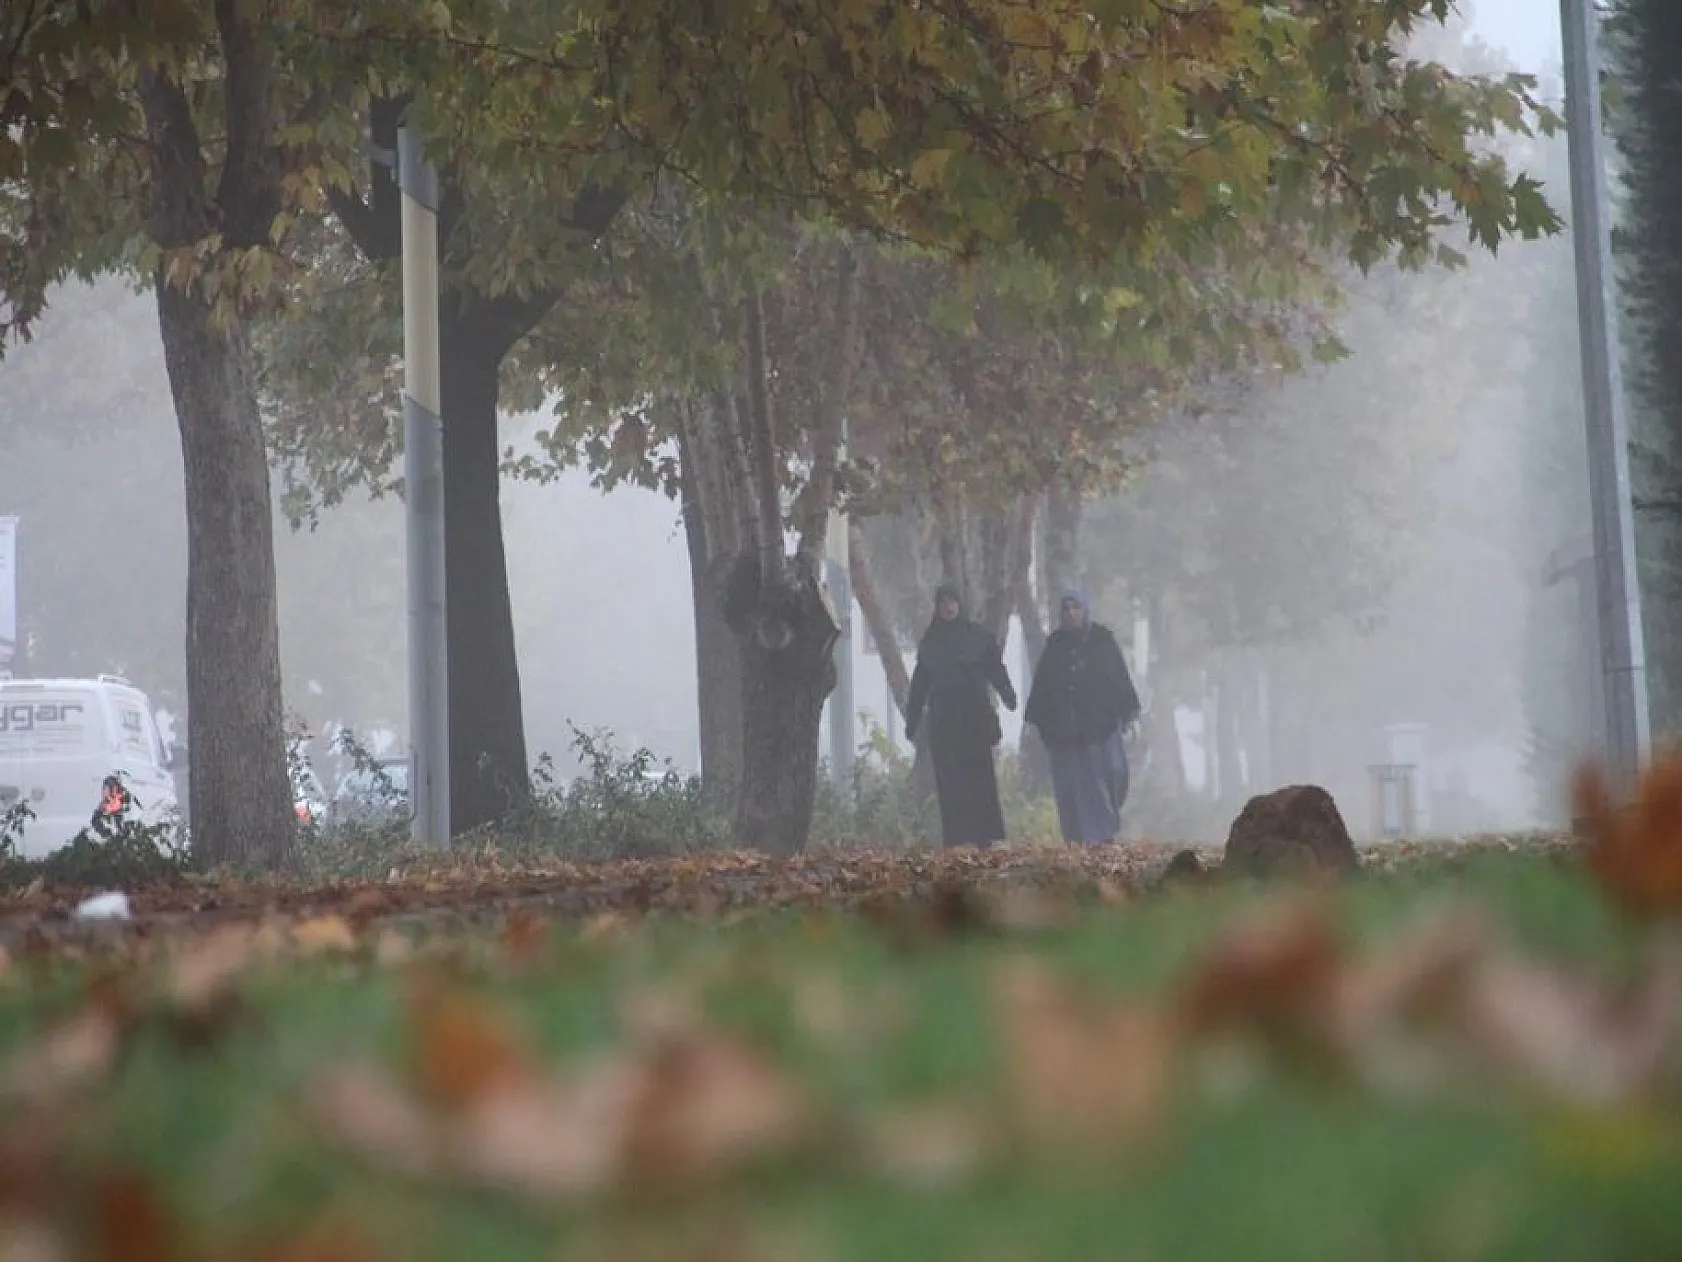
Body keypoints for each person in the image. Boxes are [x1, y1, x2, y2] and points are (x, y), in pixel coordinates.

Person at [1024, 588, 1142, 846]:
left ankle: (1103, 837)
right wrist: (1036, 720)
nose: (1071, 613)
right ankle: (1077, 840)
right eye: (1066, 609)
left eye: (1076, 607)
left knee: (1106, 779)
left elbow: (1118, 677)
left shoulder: (1102, 641)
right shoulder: (1055, 645)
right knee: (1070, 790)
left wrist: (1129, 712)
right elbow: (1043, 686)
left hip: (1099, 728)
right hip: (1065, 734)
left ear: (1084, 609)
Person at [904, 583, 1017, 847]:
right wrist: (912, 720)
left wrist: (1007, 694)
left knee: (979, 778)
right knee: (951, 781)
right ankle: (956, 839)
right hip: (945, 722)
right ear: (937, 607)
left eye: (952, 601)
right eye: (943, 602)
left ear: (960, 604)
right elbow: (919, 686)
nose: (948, 607)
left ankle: (984, 837)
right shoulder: (931, 643)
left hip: (975, 718)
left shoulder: (977, 637)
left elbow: (995, 669)